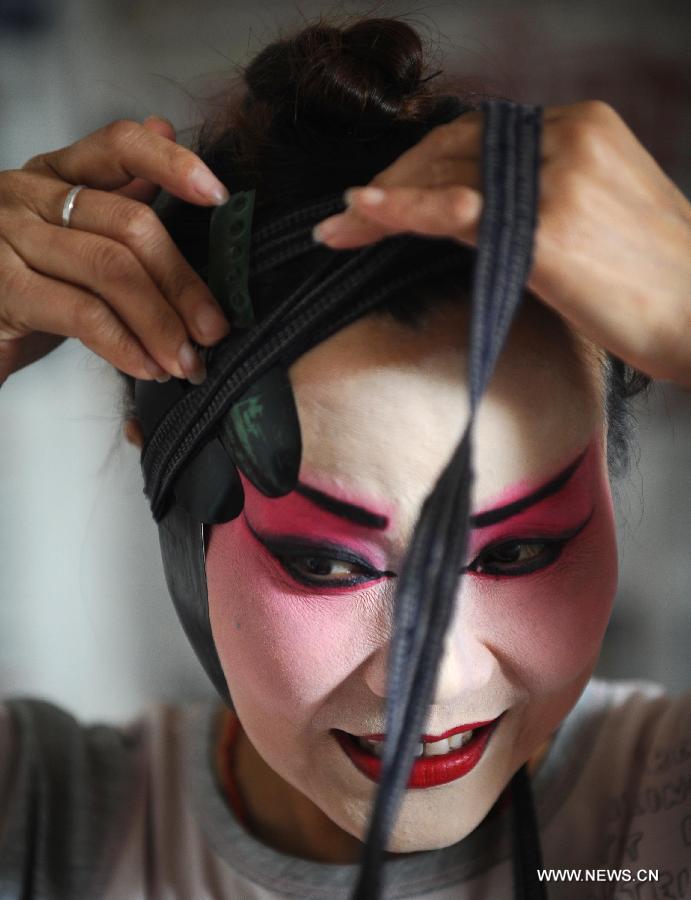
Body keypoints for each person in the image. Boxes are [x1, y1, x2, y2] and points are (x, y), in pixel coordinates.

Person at [0, 13, 690, 900]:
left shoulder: (659, 821)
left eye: (516, 551)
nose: (435, 676)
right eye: (325, 562)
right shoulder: (42, 828)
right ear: (168, 482)